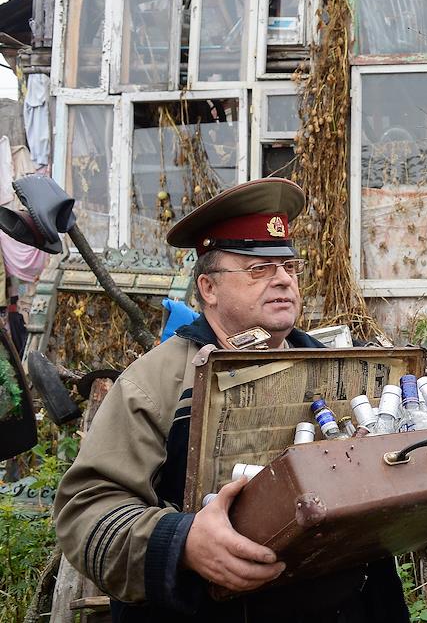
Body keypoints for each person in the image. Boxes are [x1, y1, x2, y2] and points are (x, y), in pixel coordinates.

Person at [53, 179, 408, 623]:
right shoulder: (157, 382)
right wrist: (181, 543)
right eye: (258, 269)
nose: (282, 279)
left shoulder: (341, 372)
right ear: (208, 288)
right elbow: (86, 513)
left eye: (289, 267)